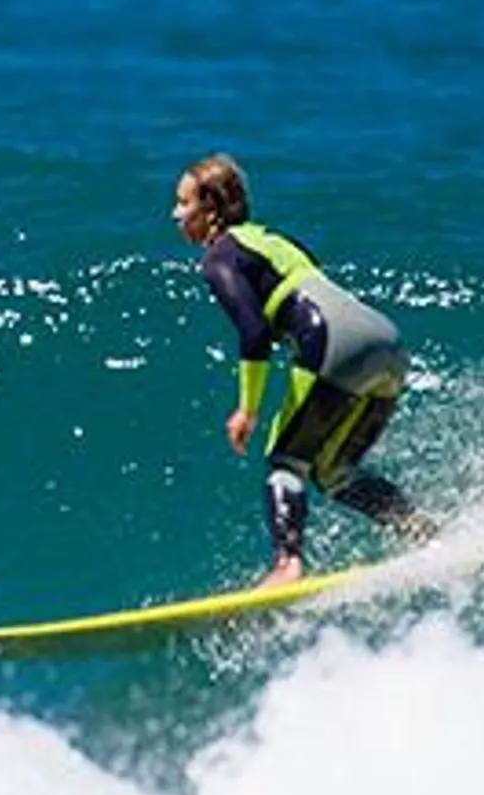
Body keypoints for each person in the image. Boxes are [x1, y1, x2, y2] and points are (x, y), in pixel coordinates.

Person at [172, 154, 428, 583]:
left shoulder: (219, 257)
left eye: (184, 203)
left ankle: (287, 564)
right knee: (333, 471)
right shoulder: (274, 240)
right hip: (386, 343)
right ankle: (421, 531)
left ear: (211, 209)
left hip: (332, 340)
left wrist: (247, 409)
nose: (176, 214)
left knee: (286, 461)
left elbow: (254, 333)